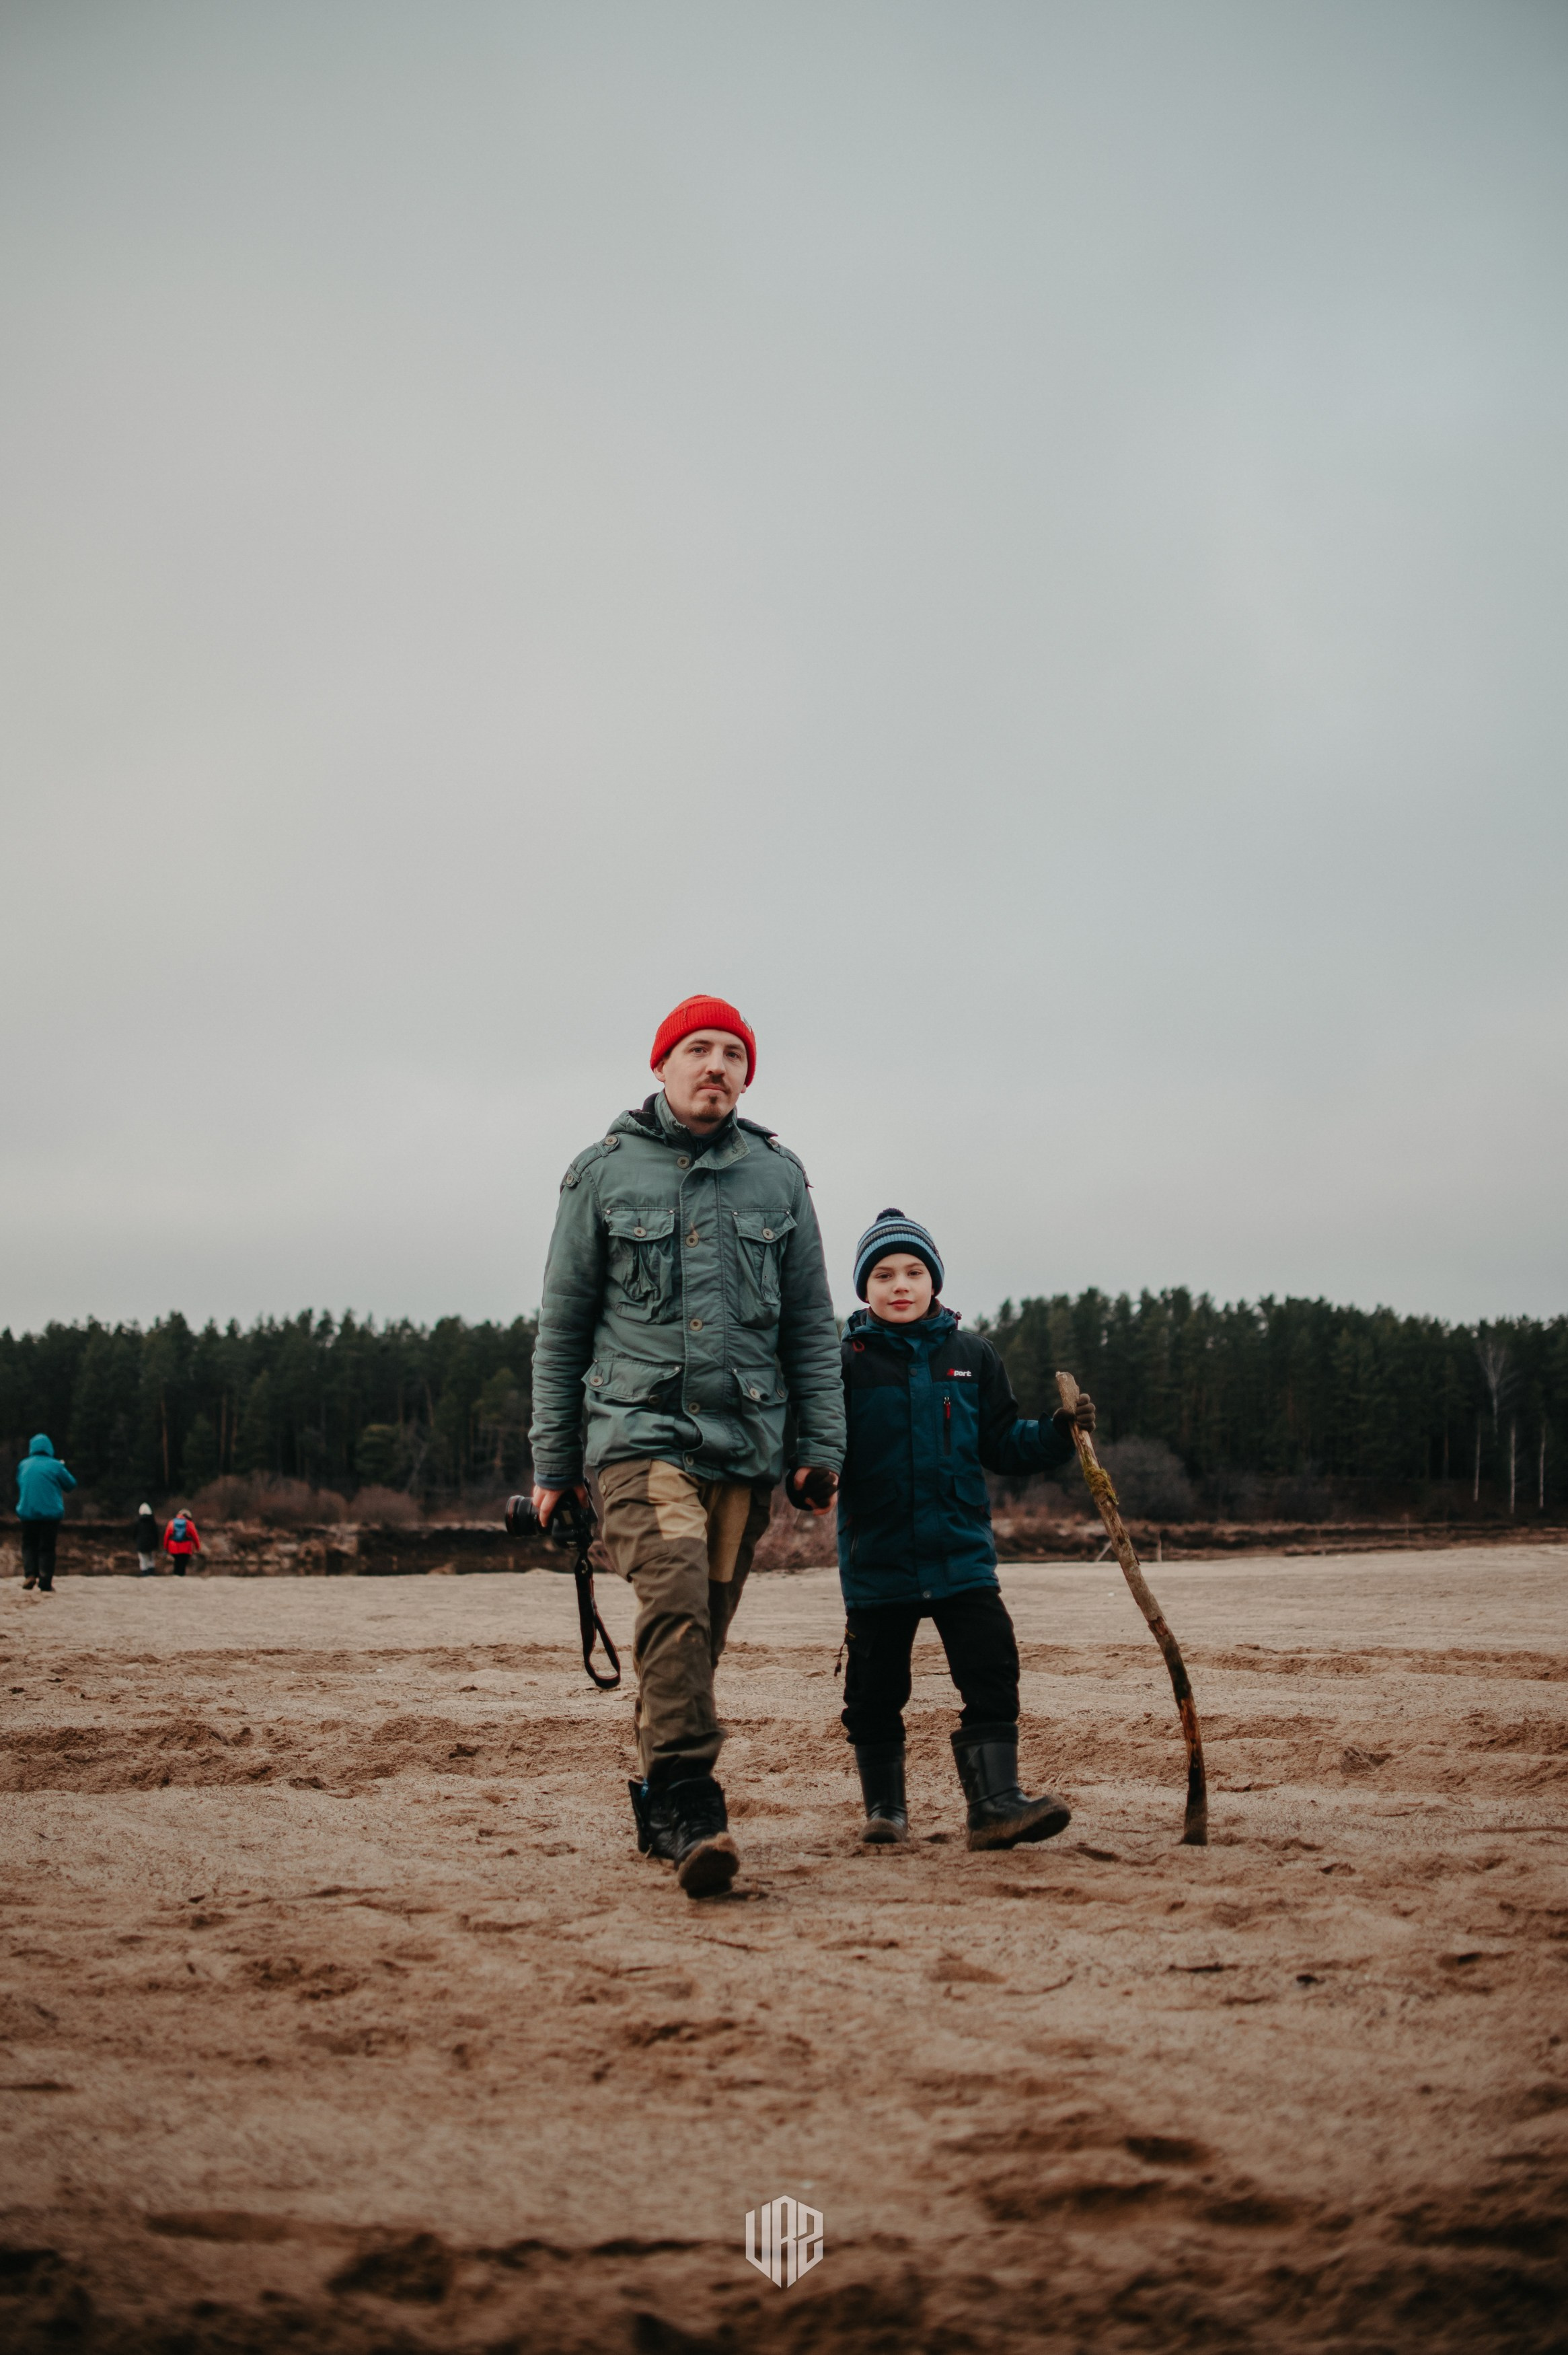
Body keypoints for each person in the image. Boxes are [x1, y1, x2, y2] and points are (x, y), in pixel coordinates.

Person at [529, 994, 845, 1898]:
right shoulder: (600, 1174)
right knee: (670, 1592)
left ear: (747, 1075)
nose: (716, 1066)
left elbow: (811, 1333)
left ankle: (654, 1794)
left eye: (732, 1055)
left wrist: (820, 1448)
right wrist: (555, 1466)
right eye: (697, 1051)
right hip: (636, 1436)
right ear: (660, 1068)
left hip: (743, 1444)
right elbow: (563, 1329)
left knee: (694, 1632)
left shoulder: (779, 1180)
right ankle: (691, 1802)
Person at [835, 1209, 1097, 1849]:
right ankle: (885, 1812)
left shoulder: (971, 1355)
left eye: (913, 1272)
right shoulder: (842, 1361)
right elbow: (815, 1445)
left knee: (991, 1670)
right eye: (884, 1274)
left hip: (960, 1554)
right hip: (879, 1558)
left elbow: (1003, 1443)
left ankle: (994, 1804)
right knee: (874, 1692)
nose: (900, 1285)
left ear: (934, 1282)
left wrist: (1059, 1433)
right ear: (864, 1290)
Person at [15, 1433, 76, 1593]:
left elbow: (20, 1483)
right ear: (49, 1448)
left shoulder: (24, 1465)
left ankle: (30, 1574)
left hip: (28, 1512)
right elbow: (71, 1485)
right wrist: (62, 1467)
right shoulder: (55, 1465)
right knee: (47, 1547)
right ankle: (45, 1580)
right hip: (50, 1514)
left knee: (29, 1544)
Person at [162, 1509, 202, 1575]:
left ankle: (176, 1575)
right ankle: (181, 1576)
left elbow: (167, 1536)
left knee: (177, 1562)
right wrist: (198, 1547)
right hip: (186, 1548)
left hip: (173, 1547)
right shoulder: (189, 1524)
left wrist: (166, 1547)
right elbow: (195, 1537)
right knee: (183, 1564)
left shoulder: (172, 1522)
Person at [135, 1502, 161, 1577]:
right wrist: (156, 1544)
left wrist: (136, 1542)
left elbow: (134, 1534)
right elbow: (156, 1534)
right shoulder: (153, 1522)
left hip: (141, 1544)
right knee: (151, 1560)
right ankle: (151, 1574)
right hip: (151, 1544)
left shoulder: (138, 1522)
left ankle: (144, 1574)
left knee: (143, 1560)